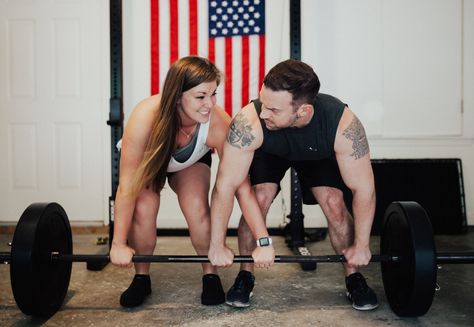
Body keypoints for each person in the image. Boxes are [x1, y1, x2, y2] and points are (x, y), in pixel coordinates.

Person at [208, 59, 379, 311]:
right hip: (269, 151)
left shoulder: (342, 125)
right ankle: (246, 273)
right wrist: (216, 244)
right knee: (259, 197)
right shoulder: (250, 123)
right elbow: (225, 186)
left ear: (304, 111)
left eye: (274, 110)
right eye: (262, 103)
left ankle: (353, 275)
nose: (264, 113)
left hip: (316, 154)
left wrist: (362, 245)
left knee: (334, 203)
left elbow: (364, 189)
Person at [109, 56, 259, 308]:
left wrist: (251, 240)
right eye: (201, 96)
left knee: (197, 206)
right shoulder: (146, 115)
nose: (209, 104)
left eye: (213, 94)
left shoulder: (218, 122)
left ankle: (210, 274)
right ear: (178, 95)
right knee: (144, 210)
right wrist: (118, 243)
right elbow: (127, 186)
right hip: (150, 163)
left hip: (189, 163)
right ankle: (141, 277)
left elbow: (239, 185)